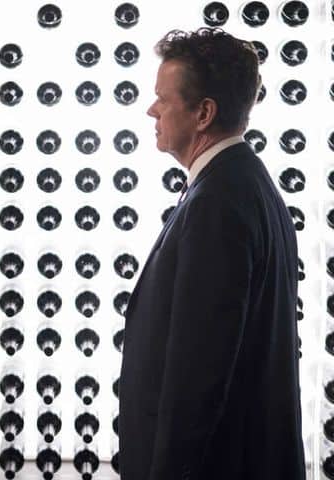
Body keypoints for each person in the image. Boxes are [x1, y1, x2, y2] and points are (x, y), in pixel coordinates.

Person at [118, 28, 305, 480]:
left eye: (162, 99)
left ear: (203, 113)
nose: (151, 110)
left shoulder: (216, 203)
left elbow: (199, 376)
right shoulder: (246, 183)